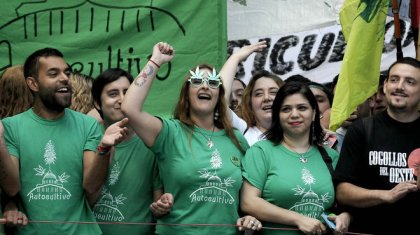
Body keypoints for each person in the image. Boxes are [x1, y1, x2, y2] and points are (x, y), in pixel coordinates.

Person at [122, 42, 261, 234]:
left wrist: (248, 217)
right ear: (186, 94)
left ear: (219, 96)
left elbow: (247, 197)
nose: (205, 86)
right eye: (197, 81)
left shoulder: (236, 139)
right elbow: (129, 108)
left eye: (212, 83)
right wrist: (156, 61)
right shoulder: (169, 132)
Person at [1, 47, 129, 234]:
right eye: (53, 73)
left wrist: (104, 148)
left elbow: (91, 186)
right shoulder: (11, 127)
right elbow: (12, 188)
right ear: (33, 84)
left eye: (66, 72)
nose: (64, 78)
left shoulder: (87, 125)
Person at [240, 82, 351, 235]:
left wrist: (345, 217)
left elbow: (345, 205)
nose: (294, 114)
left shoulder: (331, 156)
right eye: (286, 109)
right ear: (278, 116)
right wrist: (298, 219)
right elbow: (248, 202)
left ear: (313, 114)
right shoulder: (261, 151)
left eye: (302, 108)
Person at [334, 57, 420, 234]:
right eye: (394, 80)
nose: (399, 87)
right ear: (386, 86)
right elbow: (342, 191)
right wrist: (386, 195)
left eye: (409, 82)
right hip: (368, 230)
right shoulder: (363, 129)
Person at [90, 68, 164, 234]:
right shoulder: (88, 138)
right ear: (97, 102)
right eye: (113, 94)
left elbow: (157, 202)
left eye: (127, 92)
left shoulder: (150, 143)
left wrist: (161, 206)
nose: (122, 99)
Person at [220, 41, 285, 146]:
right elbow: (219, 100)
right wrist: (235, 58)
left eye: (273, 92)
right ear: (250, 103)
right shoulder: (242, 132)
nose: (267, 98)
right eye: (259, 94)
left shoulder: (298, 135)